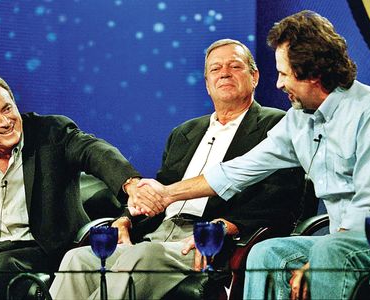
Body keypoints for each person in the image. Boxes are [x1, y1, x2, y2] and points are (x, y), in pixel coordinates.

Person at [133, 10, 370, 300]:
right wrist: (168, 193)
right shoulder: (299, 118)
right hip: (343, 240)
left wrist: (316, 264)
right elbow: (238, 170)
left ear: (312, 74)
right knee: (267, 253)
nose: (278, 83)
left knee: (328, 252)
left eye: (284, 73)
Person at [49, 39, 304, 299]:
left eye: (234, 66)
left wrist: (226, 226)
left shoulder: (277, 124)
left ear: (255, 77)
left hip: (207, 240)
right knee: (78, 260)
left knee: (142, 257)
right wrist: (126, 219)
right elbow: (160, 191)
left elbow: (282, 195)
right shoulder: (184, 133)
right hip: (157, 234)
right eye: (215, 69)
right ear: (207, 84)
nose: (224, 72)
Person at [0, 74, 141, 300]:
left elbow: (93, 151)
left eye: (7, 109)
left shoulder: (51, 132)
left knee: (2, 267)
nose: (6, 122)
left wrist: (130, 183)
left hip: (44, 247)